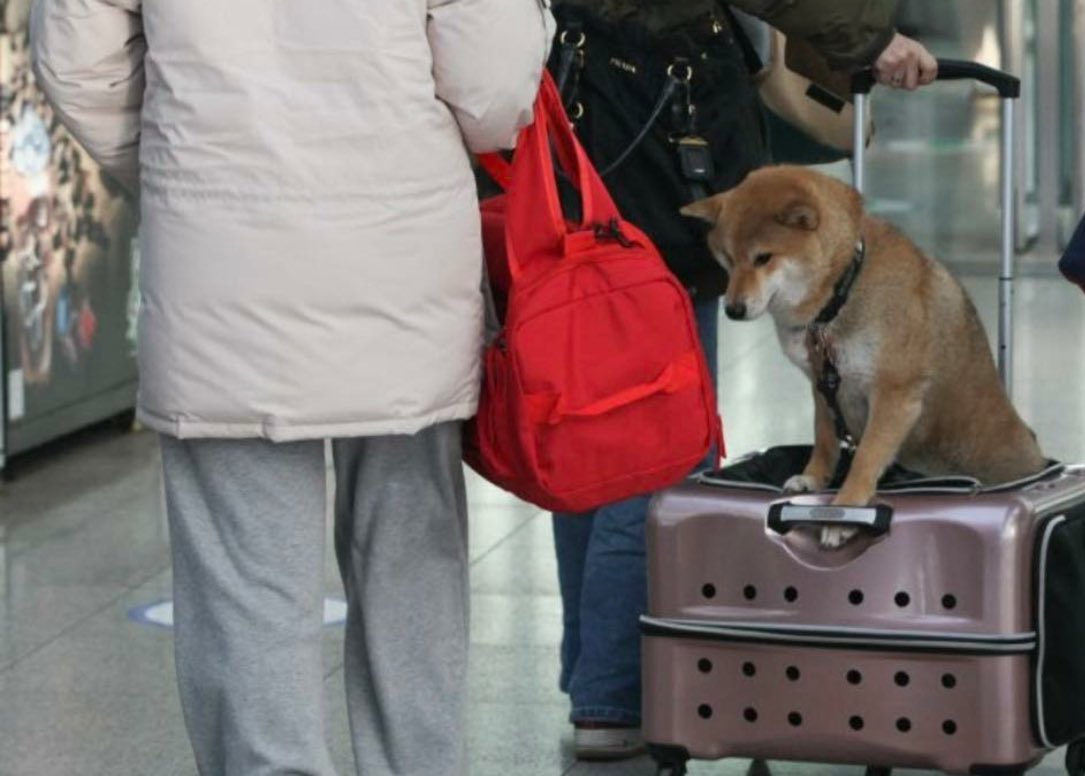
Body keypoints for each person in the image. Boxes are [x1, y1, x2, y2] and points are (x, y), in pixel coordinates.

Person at [30, 1, 553, 774]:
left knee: (245, 577)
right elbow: (494, 83)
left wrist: (182, 160)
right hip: (398, 258)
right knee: (409, 559)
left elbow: (78, 62)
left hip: (223, 263)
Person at [548, 0, 937, 761]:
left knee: (598, 441)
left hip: (575, 138)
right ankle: (616, 693)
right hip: (658, 141)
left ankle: (598, 685)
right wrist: (871, 38)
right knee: (658, 447)